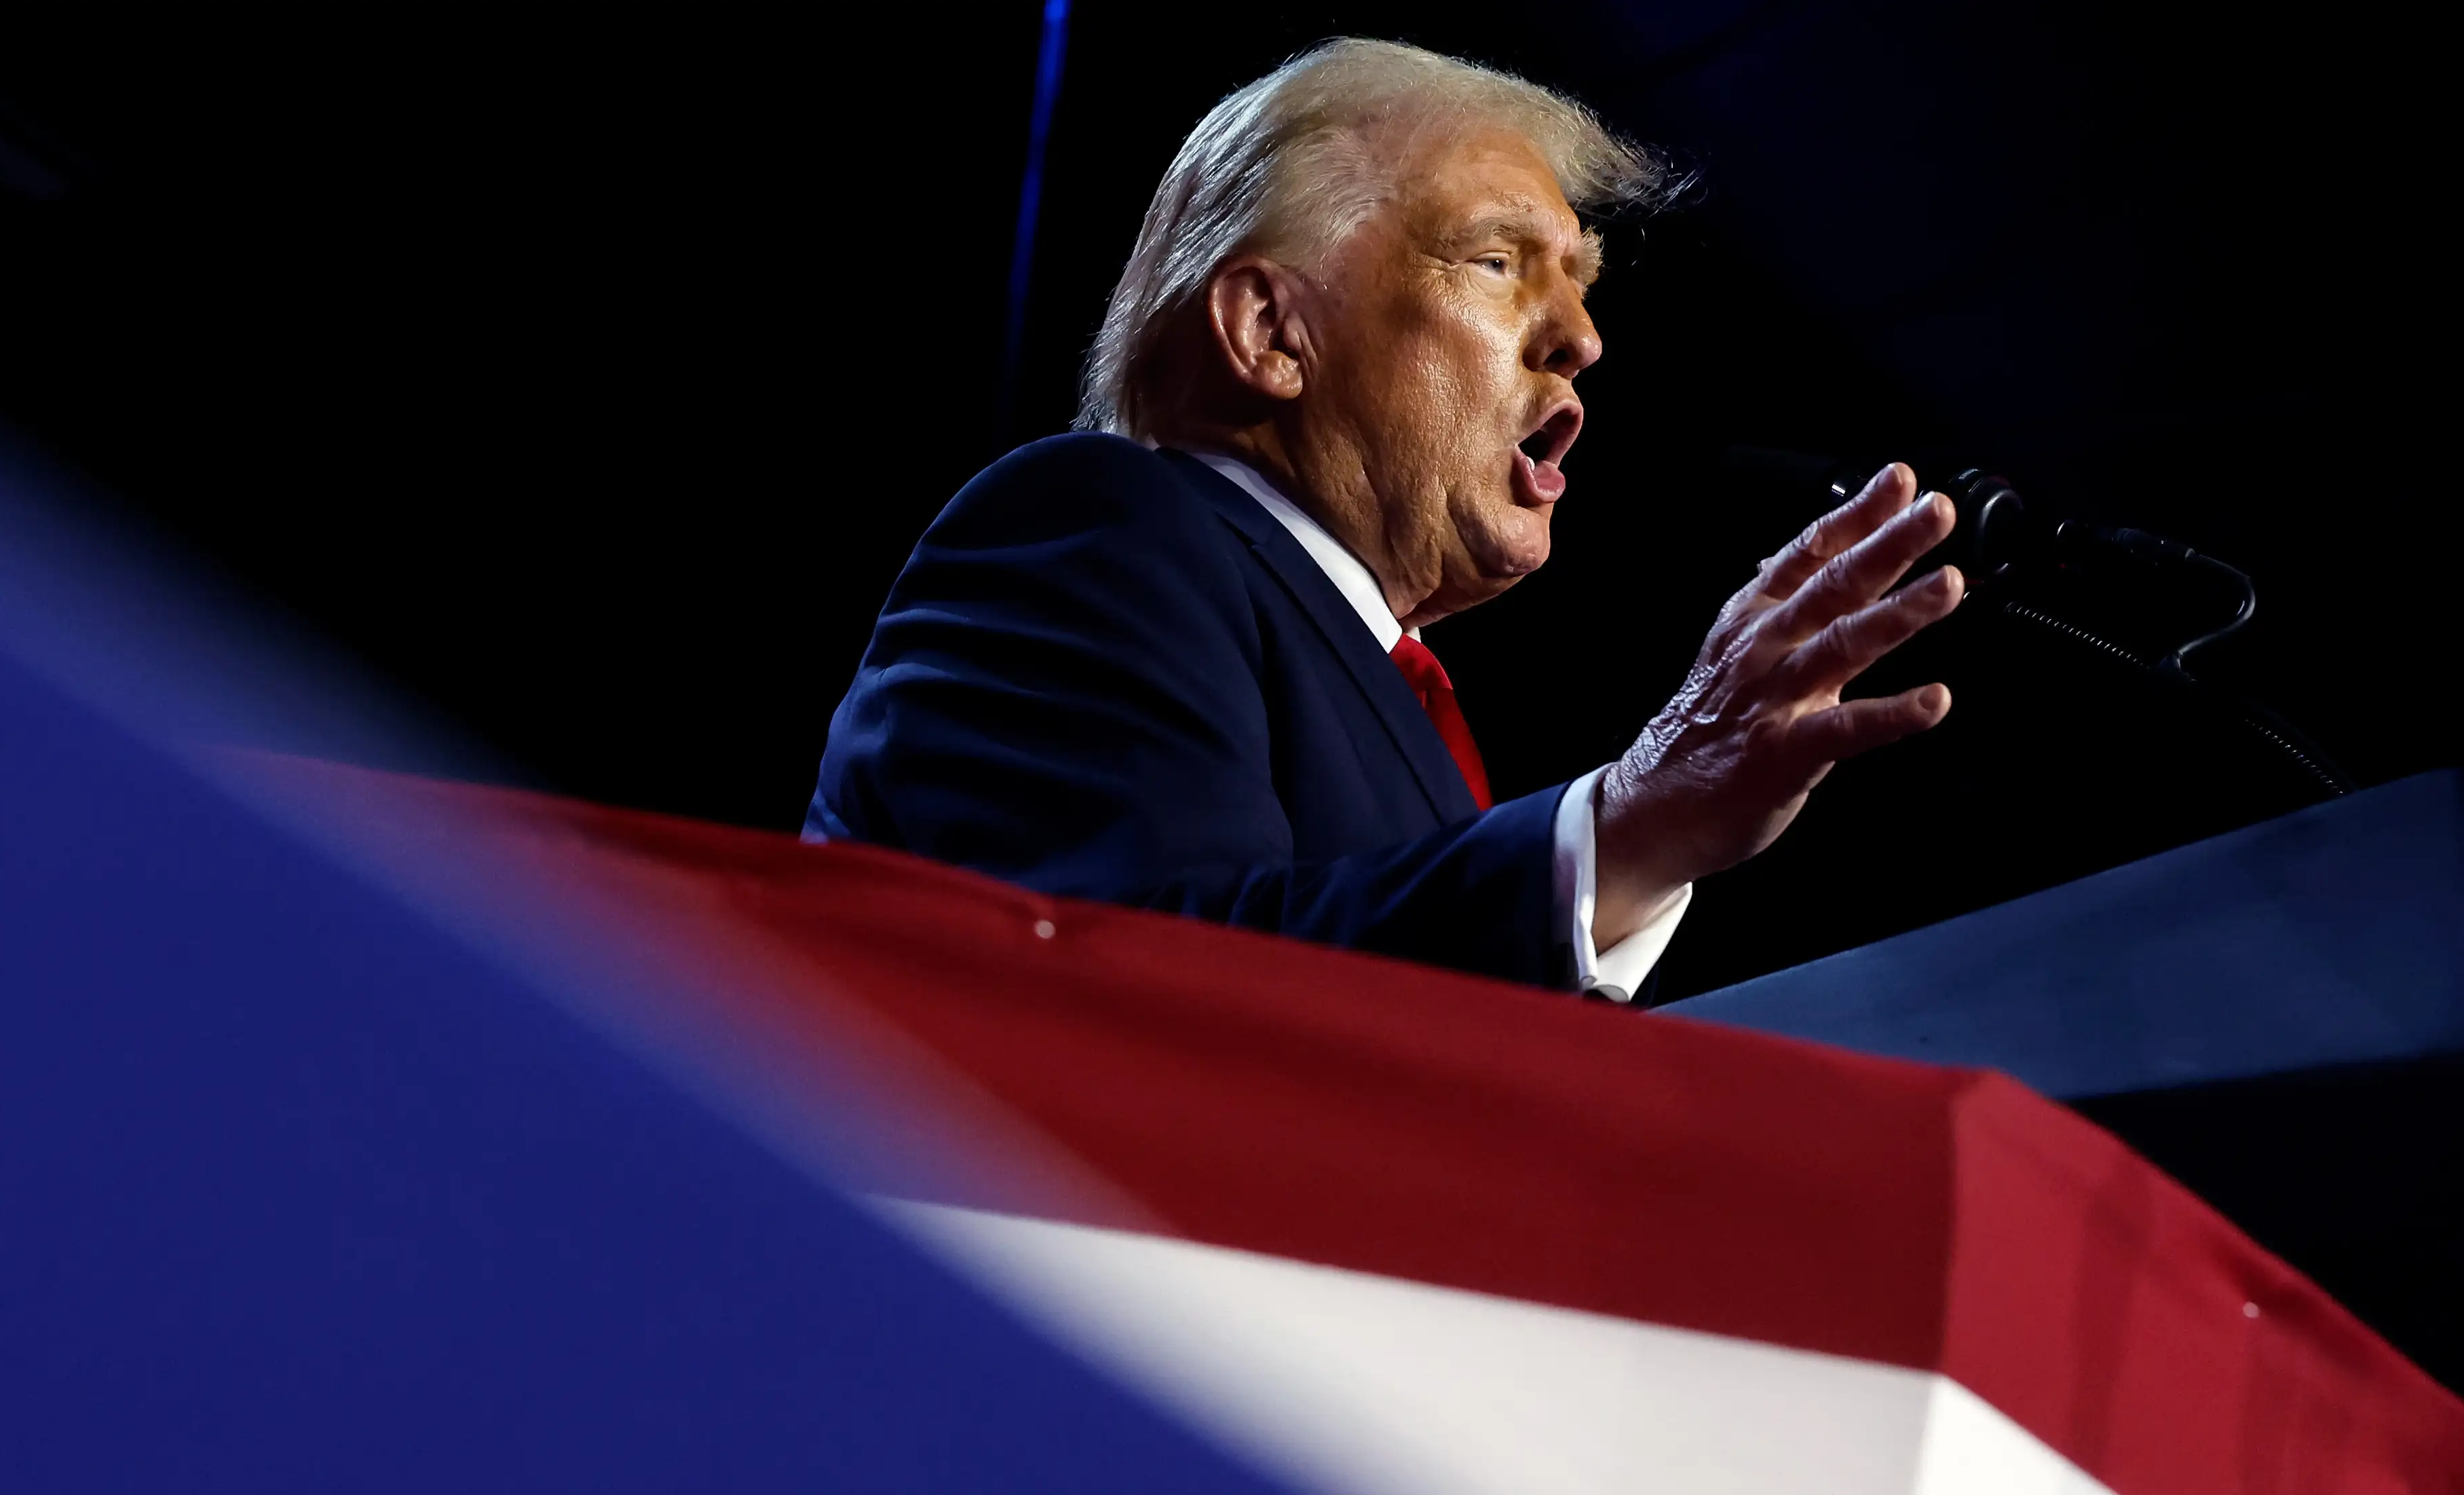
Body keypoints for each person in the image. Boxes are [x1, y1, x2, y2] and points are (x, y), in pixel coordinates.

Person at [805, 39, 1965, 999]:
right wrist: (1626, 832)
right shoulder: (1091, 530)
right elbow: (1145, 989)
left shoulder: (1389, 692)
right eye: (1498, 260)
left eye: (1581, 285)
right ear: (1269, 332)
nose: (1580, 340)